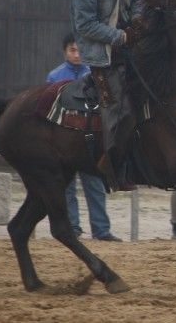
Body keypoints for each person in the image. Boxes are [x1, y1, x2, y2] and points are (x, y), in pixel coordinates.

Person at [70, 0, 145, 191]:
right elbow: (85, 25)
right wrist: (121, 36)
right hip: (102, 54)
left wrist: (136, 20)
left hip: (127, 47)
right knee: (119, 108)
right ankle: (112, 164)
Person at [46, 33, 121, 242]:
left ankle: (101, 230)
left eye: (80, 50)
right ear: (65, 51)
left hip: (89, 142)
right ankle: (73, 228)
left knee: (95, 187)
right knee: (66, 189)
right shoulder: (54, 76)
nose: (77, 54)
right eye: (72, 50)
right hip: (63, 141)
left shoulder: (94, 74)